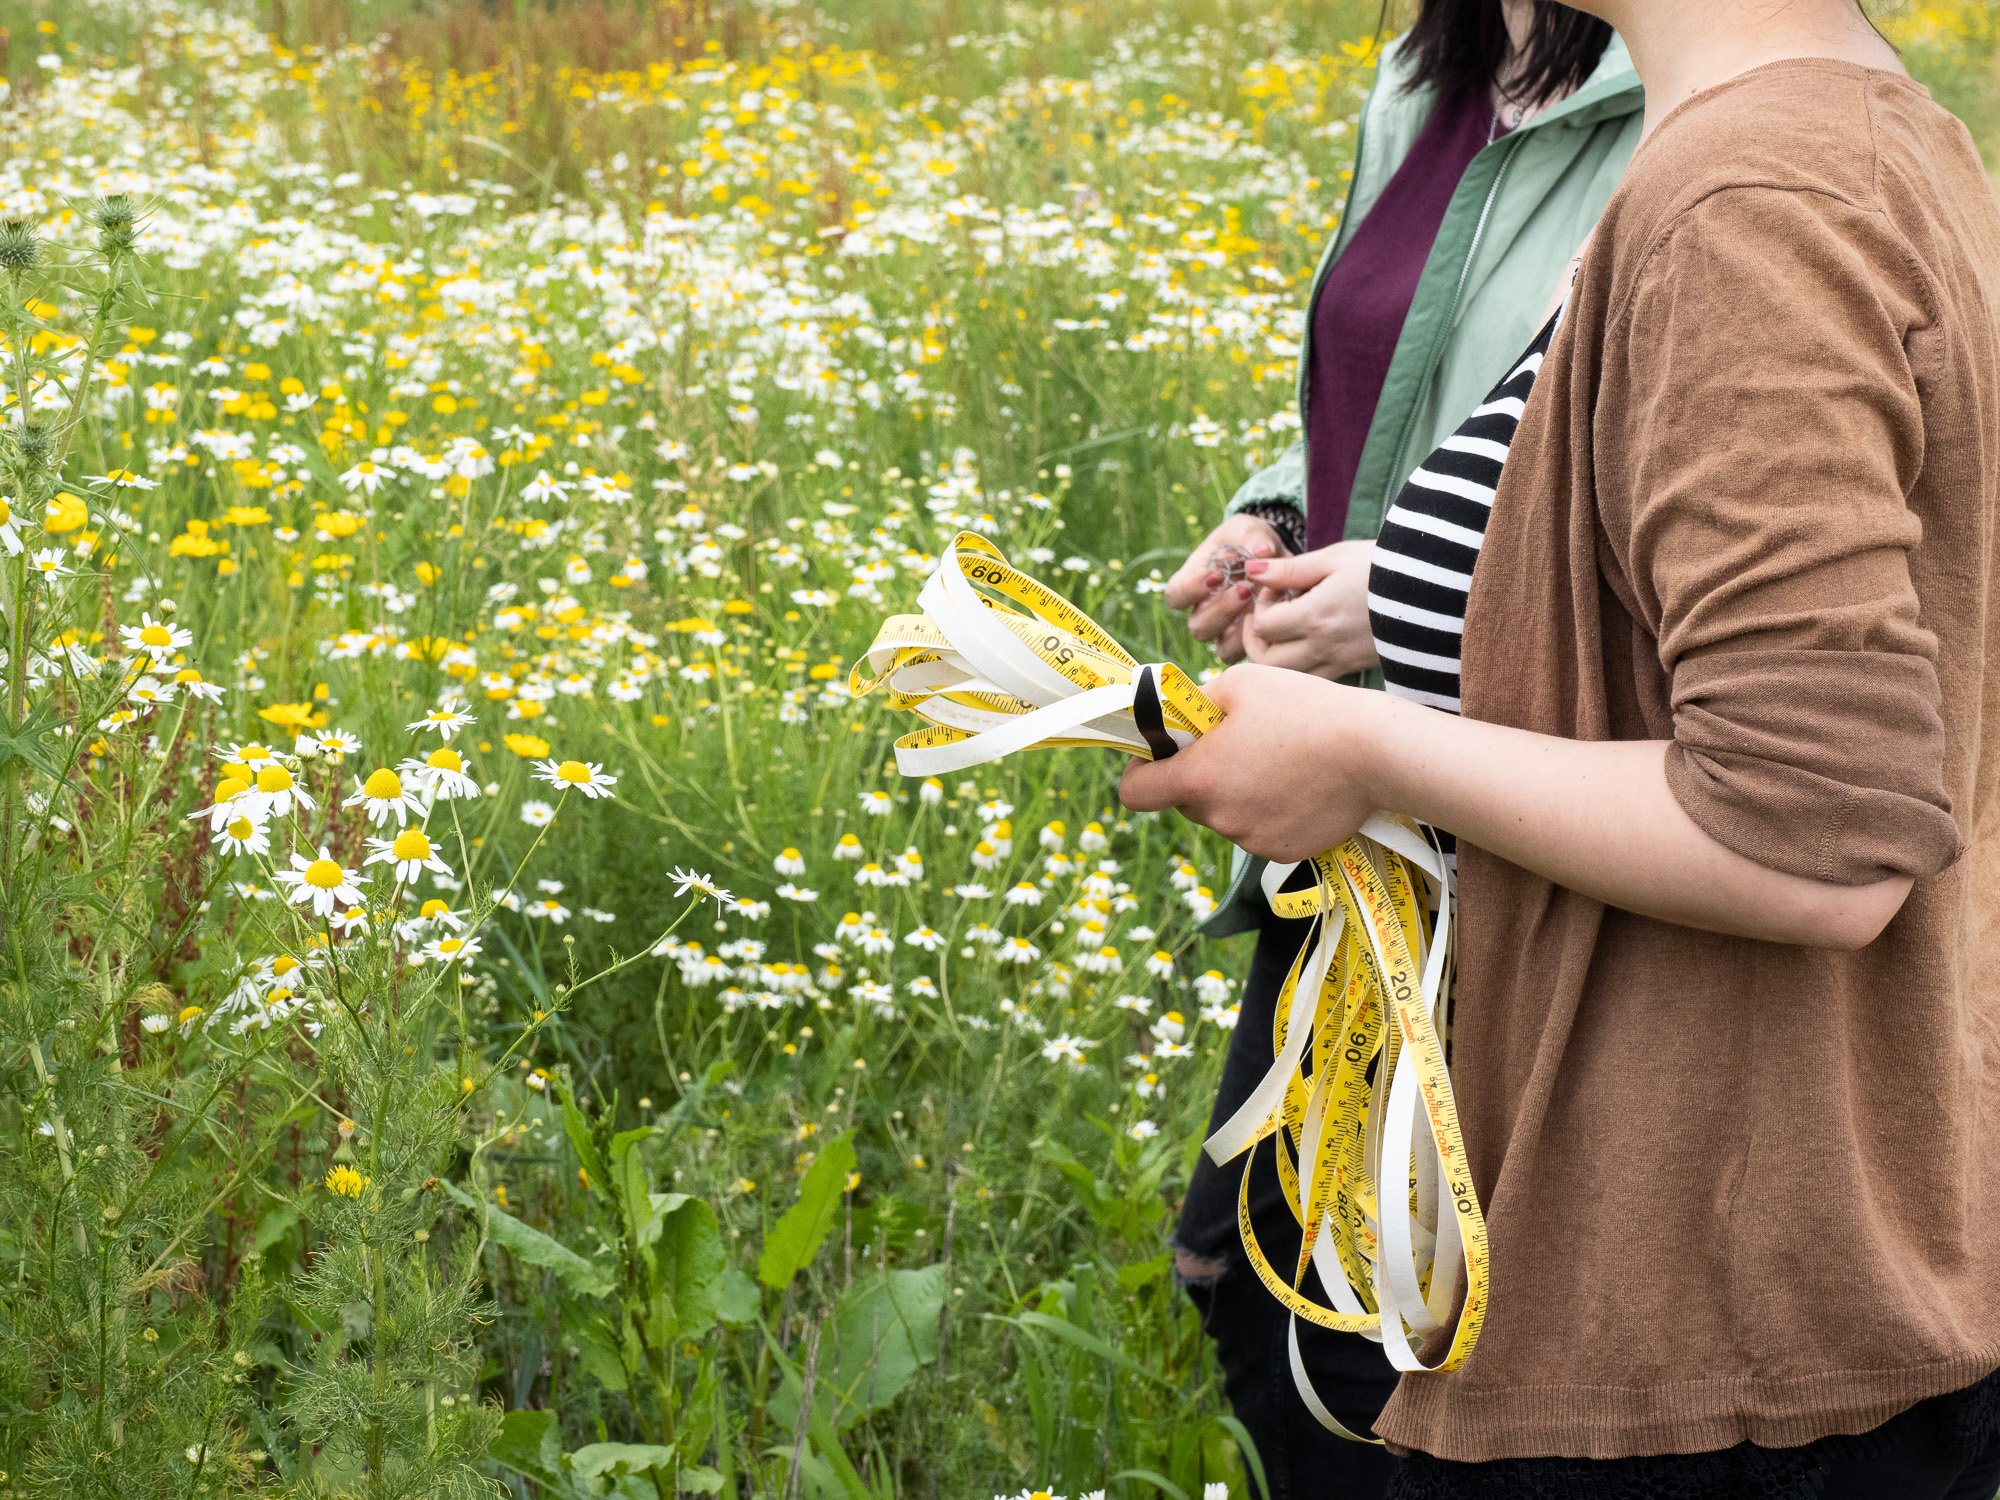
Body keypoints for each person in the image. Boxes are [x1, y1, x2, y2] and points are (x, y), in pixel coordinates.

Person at [1128, 0, 2000, 1493]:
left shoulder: (1749, 205)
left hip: (1700, 1294)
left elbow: (1813, 836)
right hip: (1715, 1240)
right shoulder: (1837, 137)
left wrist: (1366, 754)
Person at [1163, 4, 1642, 1493]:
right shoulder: (1428, 74)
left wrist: (1414, 592)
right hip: (1350, 815)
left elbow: (1645, 476)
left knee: (1426, 1351)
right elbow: (1399, 378)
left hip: (1525, 833)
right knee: (1260, 1296)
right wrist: (1290, 519)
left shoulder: (1679, 102)